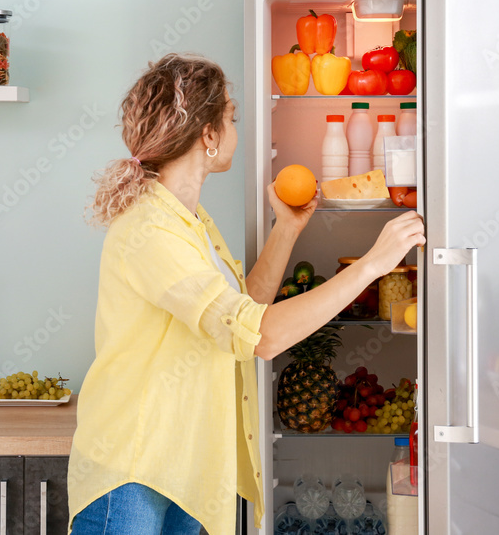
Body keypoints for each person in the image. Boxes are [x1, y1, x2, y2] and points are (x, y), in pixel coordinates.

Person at [67, 53, 425, 535]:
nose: (240, 128)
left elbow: (241, 312)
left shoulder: (190, 219)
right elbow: (261, 337)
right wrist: (373, 264)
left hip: (184, 461)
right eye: (232, 117)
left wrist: (287, 229)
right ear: (208, 136)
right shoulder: (151, 228)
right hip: (134, 466)